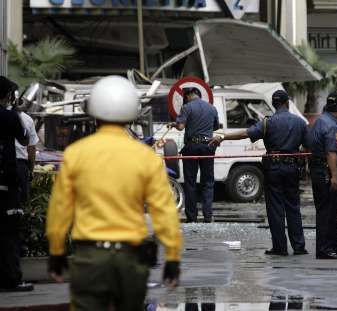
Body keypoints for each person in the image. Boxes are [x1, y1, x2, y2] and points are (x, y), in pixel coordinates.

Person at [46, 76, 183, 310]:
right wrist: (172, 256)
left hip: (90, 259)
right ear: (132, 112)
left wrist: (56, 250)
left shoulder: (76, 154)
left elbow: (60, 208)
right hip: (131, 260)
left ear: (93, 111)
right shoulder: (146, 157)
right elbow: (164, 211)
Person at [210, 90, 308, 256]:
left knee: (276, 208)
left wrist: (223, 137)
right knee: (293, 207)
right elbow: (307, 146)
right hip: (292, 169)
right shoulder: (300, 123)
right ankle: (299, 247)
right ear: (287, 102)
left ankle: (280, 248)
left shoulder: (267, 123)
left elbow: (245, 133)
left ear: (274, 104)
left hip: (274, 169)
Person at [308, 91, 337, 260]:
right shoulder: (332, 125)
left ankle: (333, 246)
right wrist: (334, 176)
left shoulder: (320, 121)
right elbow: (331, 152)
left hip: (319, 170)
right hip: (327, 172)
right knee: (328, 212)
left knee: (329, 211)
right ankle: (325, 249)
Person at [0, 76, 32, 292]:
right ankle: (12, 279)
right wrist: (17, 113)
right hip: (5, 180)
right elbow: (24, 139)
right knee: (9, 232)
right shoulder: (9, 116)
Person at [169, 87, 219, 223]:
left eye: (186, 97)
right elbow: (216, 127)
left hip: (192, 147)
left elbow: (180, 127)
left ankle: (192, 217)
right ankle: (208, 216)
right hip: (208, 146)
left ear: (190, 95)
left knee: (190, 182)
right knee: (208, 182)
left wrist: (174, 124)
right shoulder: (212, 108)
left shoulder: (187, 107)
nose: (185, 99)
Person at [14, 110, 39, 206]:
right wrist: (31, 170)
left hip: (4, 162)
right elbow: (31, 147)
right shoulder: (27, 119)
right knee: (21, 203)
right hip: (20, 166)